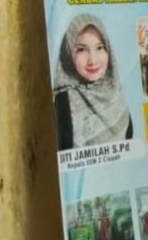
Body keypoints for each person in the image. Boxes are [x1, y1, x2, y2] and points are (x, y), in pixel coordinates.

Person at [54, 13, 133, 150]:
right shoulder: (63, 101)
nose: (92, 60)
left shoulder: (115, 91)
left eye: (99, 47)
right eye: (81, 50)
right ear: (68, 52)